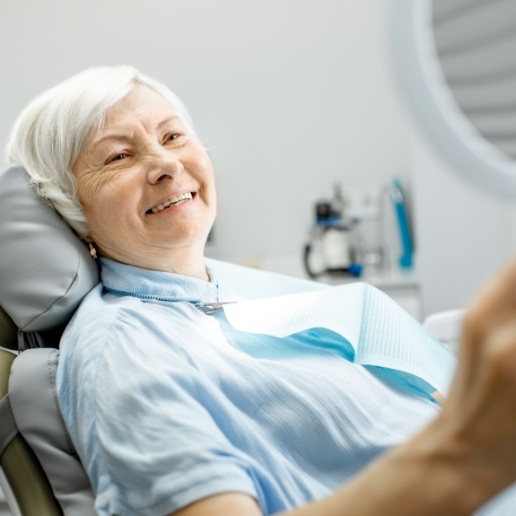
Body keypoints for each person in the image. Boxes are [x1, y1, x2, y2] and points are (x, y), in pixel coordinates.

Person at [6, 65, 516, 516]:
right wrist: (464, 457)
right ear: (72, 213)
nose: (166, 164)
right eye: (118, 156)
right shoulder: (122, 350)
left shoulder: (226, 292)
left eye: (174, 136)